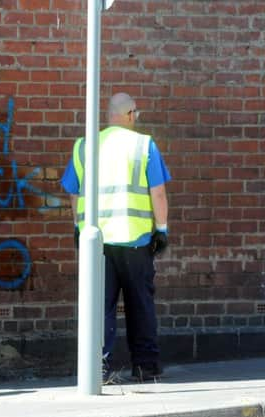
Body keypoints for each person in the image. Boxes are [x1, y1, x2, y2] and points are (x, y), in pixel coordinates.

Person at [61, 93, 171, 382]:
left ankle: (98, 367)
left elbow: (74, 192)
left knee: (100, 306)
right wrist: (161, 229)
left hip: (98, 243)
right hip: (135, 240)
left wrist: (79, 227)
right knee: (140, 304)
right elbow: (157, 192)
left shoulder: (84, 146)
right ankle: (145, 366)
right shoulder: (143, 145)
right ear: (131, 114)